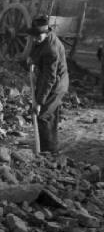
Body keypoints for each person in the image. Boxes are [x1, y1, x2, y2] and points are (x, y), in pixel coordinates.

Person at [28, 15, 68, 153]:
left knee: (42, 116)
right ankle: (52, 147)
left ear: (46, 32)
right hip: (50, 80)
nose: (34, 39)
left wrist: (39, 102)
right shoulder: (42, 38)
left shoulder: (51, 49)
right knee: (49, 114)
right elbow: (36, 48)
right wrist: (32, 60)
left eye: (37, 36)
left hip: (56, 84)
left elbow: (49, 79)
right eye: (34, 35)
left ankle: (47, 152)